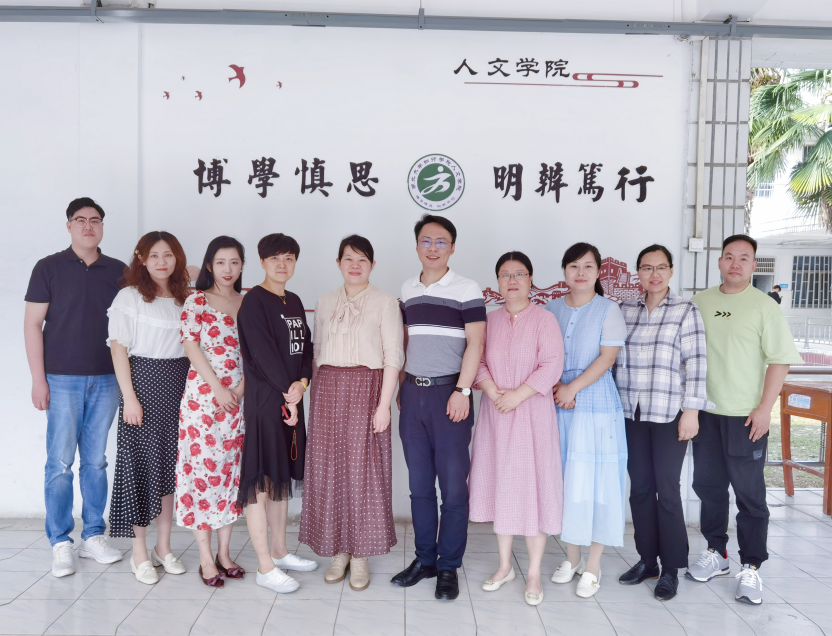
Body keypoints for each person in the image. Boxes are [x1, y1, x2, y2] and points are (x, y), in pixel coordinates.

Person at [689, 235, 803, 605]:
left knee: (749, 494)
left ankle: (751, 565)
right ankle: (716, 552)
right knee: (708, 487)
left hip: (745, 416)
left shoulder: (764, 306)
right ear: (719, 262)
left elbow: (780, 360)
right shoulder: (700, 302)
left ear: (754, 266)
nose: (735, 263)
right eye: (729, 257)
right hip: (706, 413)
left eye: (743, 258)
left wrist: (764, 409)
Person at [23, 197, 126, 578]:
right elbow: (33, 324)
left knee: (96, 461)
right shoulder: (48, 267)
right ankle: (60, 541)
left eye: (95, 220)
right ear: (69, 226)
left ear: (102, 227)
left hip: (107, 377)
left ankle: (94, 535)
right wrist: (38, 379)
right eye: (80, 220)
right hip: (61, 378)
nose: (88, 226)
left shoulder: (119, 271)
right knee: (60, 463)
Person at [300, 235, 404, 591]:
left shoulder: (385, 303)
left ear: (372, 265)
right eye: (348, 258)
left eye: (362, 259)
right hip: (328, 390)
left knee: (362, 472)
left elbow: (393, 356)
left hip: (367, 389)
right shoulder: (325, 301)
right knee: (331, 470)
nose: (355, 265)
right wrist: (311, 397)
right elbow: (315, 354)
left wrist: (383, 405)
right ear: (338, 263)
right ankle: (339, 550)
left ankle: (360, 553)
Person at [391, 214, 486, 601]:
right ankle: (425, 559)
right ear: (417, 246)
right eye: (426, 241)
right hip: (413, 395)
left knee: (453, 489)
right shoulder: (407, 289)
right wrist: (401, 386)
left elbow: (476, 344)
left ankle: (448, 566)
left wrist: (462, 390)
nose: (433, 248)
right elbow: (406, 341)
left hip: (450, 396)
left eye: (441, 242)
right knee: (419, 487)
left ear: (452, 247)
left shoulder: (467, 288)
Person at [614, 244, 713, 601]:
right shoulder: (625, 309)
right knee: (640, 489)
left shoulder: (686, 310)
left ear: (671, 270)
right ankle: (647, 560)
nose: (653, 274)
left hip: (670, 413)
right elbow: (613, 358)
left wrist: (692, 411)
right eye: (646, 268)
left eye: (660, 267)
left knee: (667, 491)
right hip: (631, 412)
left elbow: (696, 363)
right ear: (638, 272)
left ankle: (671, 567)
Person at [469, 252, 564, 606]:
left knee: (534, 487)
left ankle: (534, 572)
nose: (512, 281)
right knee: (502, 485)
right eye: (505, 274)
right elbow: (477, 360)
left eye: (519, 274)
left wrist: (518, 395)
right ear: (497, 281)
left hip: (532, 415)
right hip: (496, 414)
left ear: (530, 280)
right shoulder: (489, 320)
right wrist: (494, 392)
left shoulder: (545, 319)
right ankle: (505, 565)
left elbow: (552, 364)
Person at [236, 233, 318, 594]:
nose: (282, 265)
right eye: (274, 259)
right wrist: (290, 393)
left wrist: (302, 384)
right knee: (260, 482)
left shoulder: (294, 300)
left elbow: (306, 348)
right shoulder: (254, 301)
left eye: (288, 258)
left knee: (280, 477)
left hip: (292, 400)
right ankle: (264, 566)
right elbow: (262, 354)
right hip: (266, 403)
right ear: (262, 262)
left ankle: (281, 552)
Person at [544, 242, 627, 599]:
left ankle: (593, 564)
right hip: (557, 403)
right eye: (574, 266)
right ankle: (572, 557)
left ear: (598, 272)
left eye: (588, 266)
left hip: (595, 404)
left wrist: (572, 387)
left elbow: (607, 358)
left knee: (596, 483)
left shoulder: (609, 309)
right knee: (567, 480)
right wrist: (557, 388)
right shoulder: (550, 309)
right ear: (565, 270)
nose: (580, 273)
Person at [107, 231, 190, 584]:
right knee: (141, 469)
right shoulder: (129, 296)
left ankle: (163, 547)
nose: (161, 262)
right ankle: (139, 552)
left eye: (168, 254)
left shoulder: (186, 298)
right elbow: (118, 349)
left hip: (180, 388)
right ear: (141, 258)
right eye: (153, 255)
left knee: (170, 470)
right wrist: (129, 397)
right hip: (142, 385)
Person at [175, 236, 247, 587]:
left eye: (234, 262)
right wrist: (218, 388)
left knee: (232, 475)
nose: (228, 269)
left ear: (242, 265)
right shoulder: (197, 300)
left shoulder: (250, 303)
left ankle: (225, 553)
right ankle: (205, 558)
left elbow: (257, 353)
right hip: (203, 401)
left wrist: (239, 390)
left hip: (239, 401)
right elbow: (190, 346)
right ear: (209, 266)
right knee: (201, 474)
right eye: (221, 262)